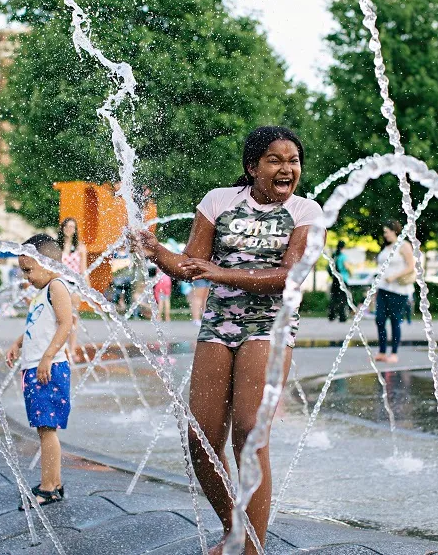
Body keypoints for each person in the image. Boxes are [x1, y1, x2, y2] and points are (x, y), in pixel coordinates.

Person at [133, 126, 322, 555]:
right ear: (252, 167)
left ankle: (251, 549)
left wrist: (221, 273)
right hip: (220, 325)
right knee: (199, 439)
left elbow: (289, 276)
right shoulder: (219, 201)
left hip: (270, 325)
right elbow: (190, 265)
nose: (286, 168)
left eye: (293, 161)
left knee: (250, 434)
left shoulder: (306, 211)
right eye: (275, 160)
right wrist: (156, 251)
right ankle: (236, 531)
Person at [5, 235, 72, 508]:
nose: (26, 276)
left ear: (47, 263)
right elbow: (38, 326)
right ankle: (54, 483)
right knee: (45, 429)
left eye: (29, 270)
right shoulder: (42, 293)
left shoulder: (57, 286)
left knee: (47, 430)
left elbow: (66, 324)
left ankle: (47, 488)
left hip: (48, 369)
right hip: (37, 367)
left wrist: (47, 357)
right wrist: (18, 343)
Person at [374, 220, 415, 364]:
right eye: (384, 232)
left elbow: (411, 266)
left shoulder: (403, 246)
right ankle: (382, 351)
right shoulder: (386, 247)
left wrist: (394, 276)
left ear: (395, 231)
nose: (385, 235)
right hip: (383, 288)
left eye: (387, 232)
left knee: (394, 320)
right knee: (379, 319)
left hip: (398, 290)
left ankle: (394, 353)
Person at [57, 217, 87, 361]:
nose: (69, 229)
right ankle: (59, 348)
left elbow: (83, 270)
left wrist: (87, 288)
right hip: (60, 285)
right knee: (60, 318)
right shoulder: (57, 247)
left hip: (74, 285)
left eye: (72, 227)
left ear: (75, 230)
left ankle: (72, 350)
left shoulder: (80, 248)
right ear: (62, 228)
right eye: (67, 226)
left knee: (74, 318)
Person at [327, 240, 350, 322]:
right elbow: (346, 267)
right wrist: (350, 271)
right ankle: (342, 317)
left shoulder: (334, 256)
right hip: (342, 279)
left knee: (334, 297)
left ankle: (331, 315)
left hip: (335, 279)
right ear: (343, 247)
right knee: (343, 298)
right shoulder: (343, 256)